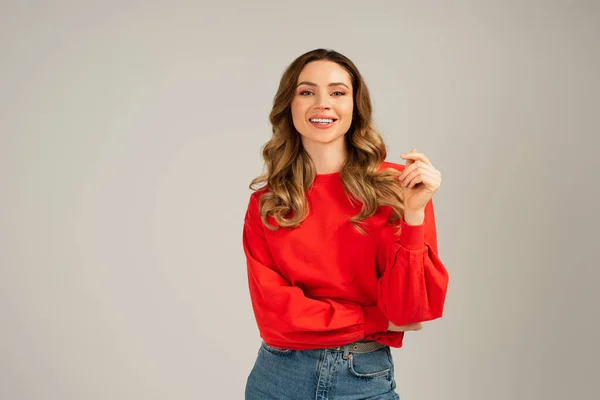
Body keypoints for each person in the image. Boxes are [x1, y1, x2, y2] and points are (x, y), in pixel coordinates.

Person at [242, 48, 449, 400]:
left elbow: (412, 310)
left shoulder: (399, 188)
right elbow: (277, 316)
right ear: (288, 105)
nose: (323, 104)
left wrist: (414, 214)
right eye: (307, 92)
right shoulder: (269, 202)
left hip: (363, 379)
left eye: (338, 92)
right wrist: (375, 320)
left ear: (355, 107)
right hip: (277, 379)